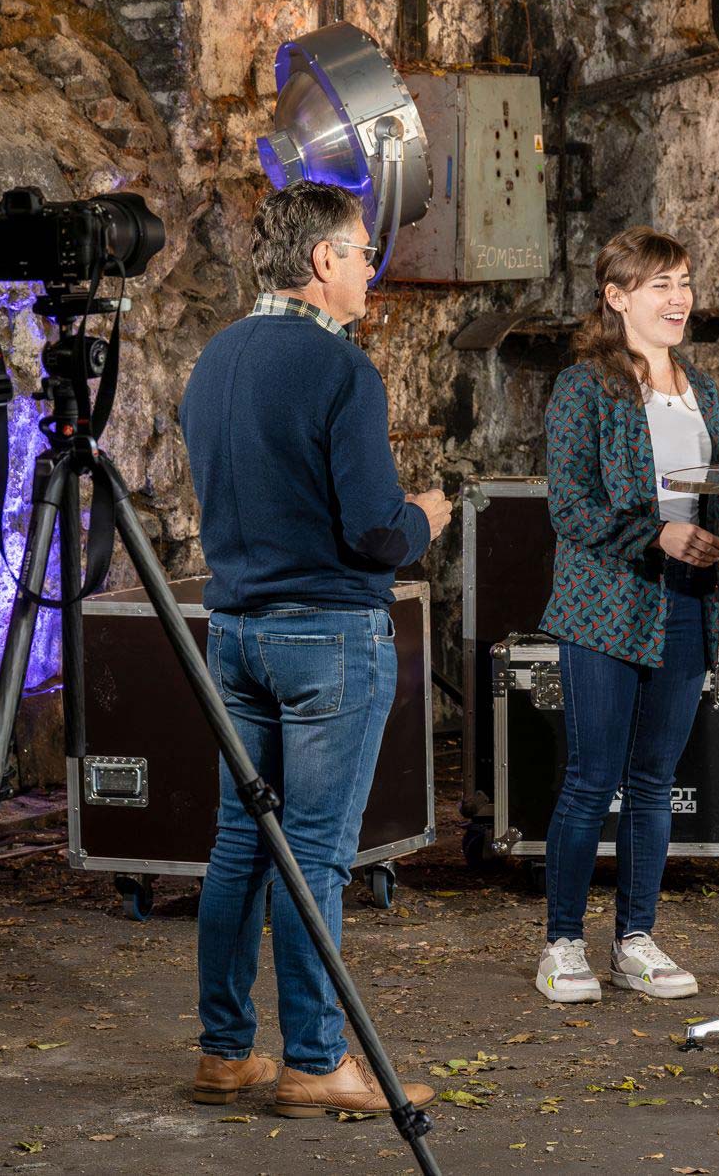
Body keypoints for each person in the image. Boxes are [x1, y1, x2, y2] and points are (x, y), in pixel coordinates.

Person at [178, 180, 452, 1117]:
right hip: (328, 639)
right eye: (363, 252)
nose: (370, 270)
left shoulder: (213, 360)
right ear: (323, 260)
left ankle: (223, 1051)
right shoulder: (342, 372)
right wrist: (427, 515)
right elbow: (376, 533)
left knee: (238, 850)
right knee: (317, 859)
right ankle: (314, 1058)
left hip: (236, 636)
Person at [534, 226, 719, 1005]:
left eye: (683, 282)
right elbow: (570, 508)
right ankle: (563, 944)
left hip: (684, 608)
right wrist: (656, 533)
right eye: (659, 285)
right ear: (616, 297)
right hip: (605, 607)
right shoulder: (585, 386)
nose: (678, 299)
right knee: (589, 779)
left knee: (651, 783)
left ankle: (634, 939)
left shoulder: (702, 390)